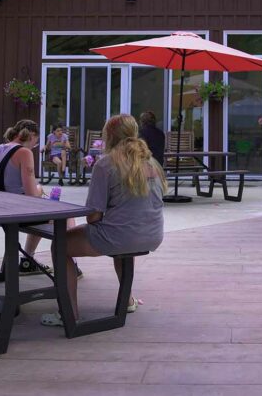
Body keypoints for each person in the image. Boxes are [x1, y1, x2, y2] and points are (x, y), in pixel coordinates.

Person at [40, 114, 167, 327]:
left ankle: (68, 312)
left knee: (59, 245)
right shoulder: (151, 162)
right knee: (123, 234)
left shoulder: (106, 164)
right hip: (153, 234)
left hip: (122, 236)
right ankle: (127, 300)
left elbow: (93, 216)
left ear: (108, 135)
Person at [0, 119, 73, 276]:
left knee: (46, 211)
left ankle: (28, 262)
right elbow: (32, 195)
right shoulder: (24, 152)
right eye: (36, 142)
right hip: (17, 212)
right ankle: (70, 267)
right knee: (66, 217)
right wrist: (40, 189)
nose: (34, 146)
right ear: (31, 136)